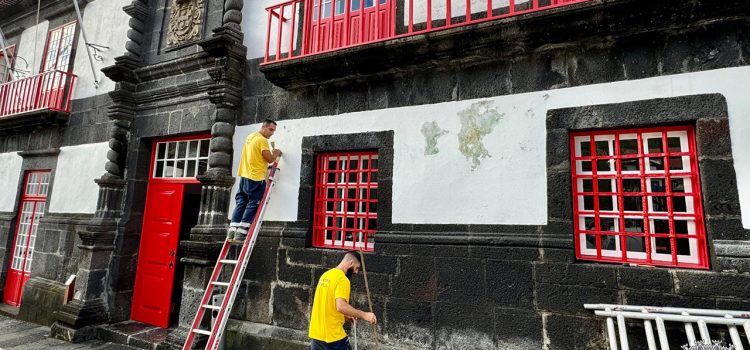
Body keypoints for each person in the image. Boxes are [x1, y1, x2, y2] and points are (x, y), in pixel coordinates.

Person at [309, 251, 377, 350]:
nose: (356, 272)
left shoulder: (326, 275)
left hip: (317, 334)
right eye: (357, 268)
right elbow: (340, 306)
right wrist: (365, 315)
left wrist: (346, 316)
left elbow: (328, 305)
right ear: (350, 263)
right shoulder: (342, 280)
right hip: (333, 336)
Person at [228, 119, 282, 241]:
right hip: (256, 177)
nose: (272, 133)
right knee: (253, 203)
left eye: (274, 131)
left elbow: (255, 155)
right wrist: (276, 153)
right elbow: (269, 159)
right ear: (264, 127)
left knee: (241, 201)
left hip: (244, 175)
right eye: (271, 129)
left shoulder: (250, 136)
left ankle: (232, 230)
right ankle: (241, 232)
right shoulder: (262, 140)